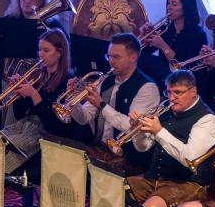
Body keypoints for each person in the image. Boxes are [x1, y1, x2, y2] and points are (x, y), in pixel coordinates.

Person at [128, 70, 215, 207]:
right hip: (156, 177)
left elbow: (190, 158)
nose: (171, 98)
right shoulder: (165, 110)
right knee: (115, 192)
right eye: (168, 92)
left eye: (178, 92)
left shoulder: (206, 119)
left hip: (188, 182)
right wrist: (137, 131)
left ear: (193, 91)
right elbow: (143, 147)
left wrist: (160, 132)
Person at [0, 28, 92, 204]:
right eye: (39, 49)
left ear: (60, 53)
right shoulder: (38, 75)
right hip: (25, 126)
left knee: (5, 149)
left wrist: (34, 95)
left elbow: (56, 125)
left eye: (46, 50)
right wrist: (19, 94)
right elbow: (20, 115)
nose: (40, 54)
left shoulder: (69, 81)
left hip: (46, 135)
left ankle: (7, 192)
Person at [69, 33, 160, 172]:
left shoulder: (147, 88)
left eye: (116, 57)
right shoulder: (106, 80)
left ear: (133, 57)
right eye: (109, 56)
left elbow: (132, 127)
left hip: (128, 158)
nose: (111, 62)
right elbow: (84, 118)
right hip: (101, 148)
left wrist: (101, 105)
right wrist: (72, 102)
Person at [139, 0, 208, 84]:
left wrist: (163, 46)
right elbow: (143, 52)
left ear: (186, 7)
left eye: (174, 4)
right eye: (168, 3)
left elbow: (185, 67)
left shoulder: (198, 34)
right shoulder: (165, 28)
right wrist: (144, 36)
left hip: (182, 80)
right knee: (138, 57)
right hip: (161, 76)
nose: (169, 7)